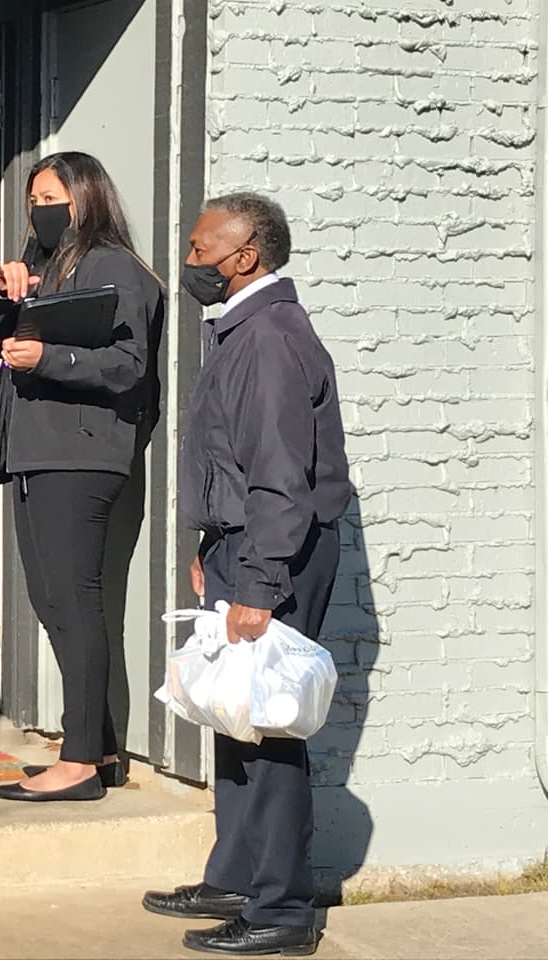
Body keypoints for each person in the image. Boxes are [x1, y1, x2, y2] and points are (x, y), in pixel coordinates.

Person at [142, 193, 350, 957]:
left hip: (277, 553)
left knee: (269, 725)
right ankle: (236, 876)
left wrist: (259, 581)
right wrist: (212, 543)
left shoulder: (267, 339)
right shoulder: (244, 331)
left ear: (244, 258)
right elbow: (238, 465)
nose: (191, 261)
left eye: (201, 250)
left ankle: (282, 911)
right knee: (236, 713)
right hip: (243, 545)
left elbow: (280, 478)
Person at [0, 152, 165, 802]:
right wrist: (5, 294)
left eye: (50, 198)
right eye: (32, 201)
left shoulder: (115, 269)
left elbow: (130, 364)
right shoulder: (43, 267)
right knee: (53, 603)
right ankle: (97, 746)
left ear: (85, 198)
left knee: (74, 602)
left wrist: (49, 356)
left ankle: (78, 761)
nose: (39, 211)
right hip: (32, 452)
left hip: (80, 456)